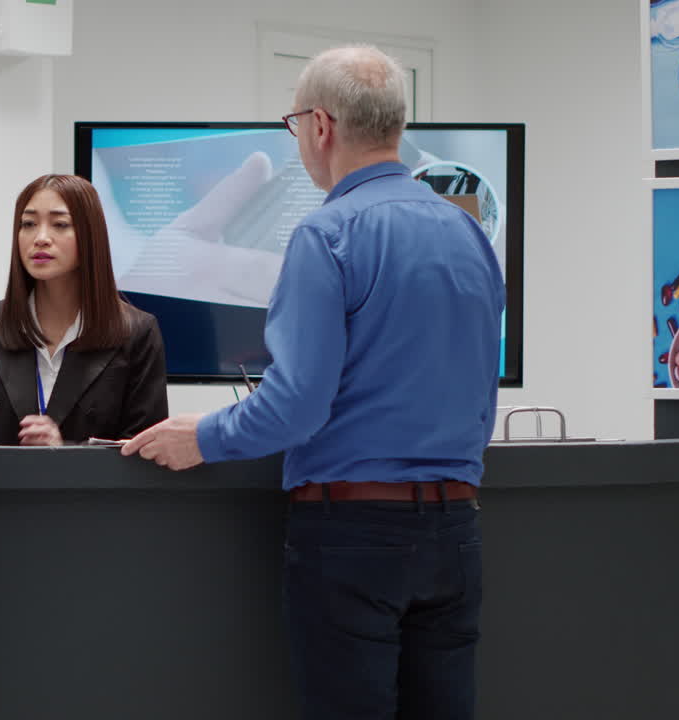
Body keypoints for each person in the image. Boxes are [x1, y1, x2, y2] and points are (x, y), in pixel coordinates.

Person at [123, 45, 504, 720]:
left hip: (352, 534)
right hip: (457, 532)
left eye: (295, 123)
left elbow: (296, 406)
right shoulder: (467, 233)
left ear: (320, 127)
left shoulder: (327, 234)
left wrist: (202, 438)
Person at [0, 174, 168, 446]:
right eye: (28, 224)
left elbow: (144, 455)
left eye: (60, 224)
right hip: (0, 488)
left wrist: (65, 453)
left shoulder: (136, 332)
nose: (40, 238)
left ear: (90, 235)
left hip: (91, 490)